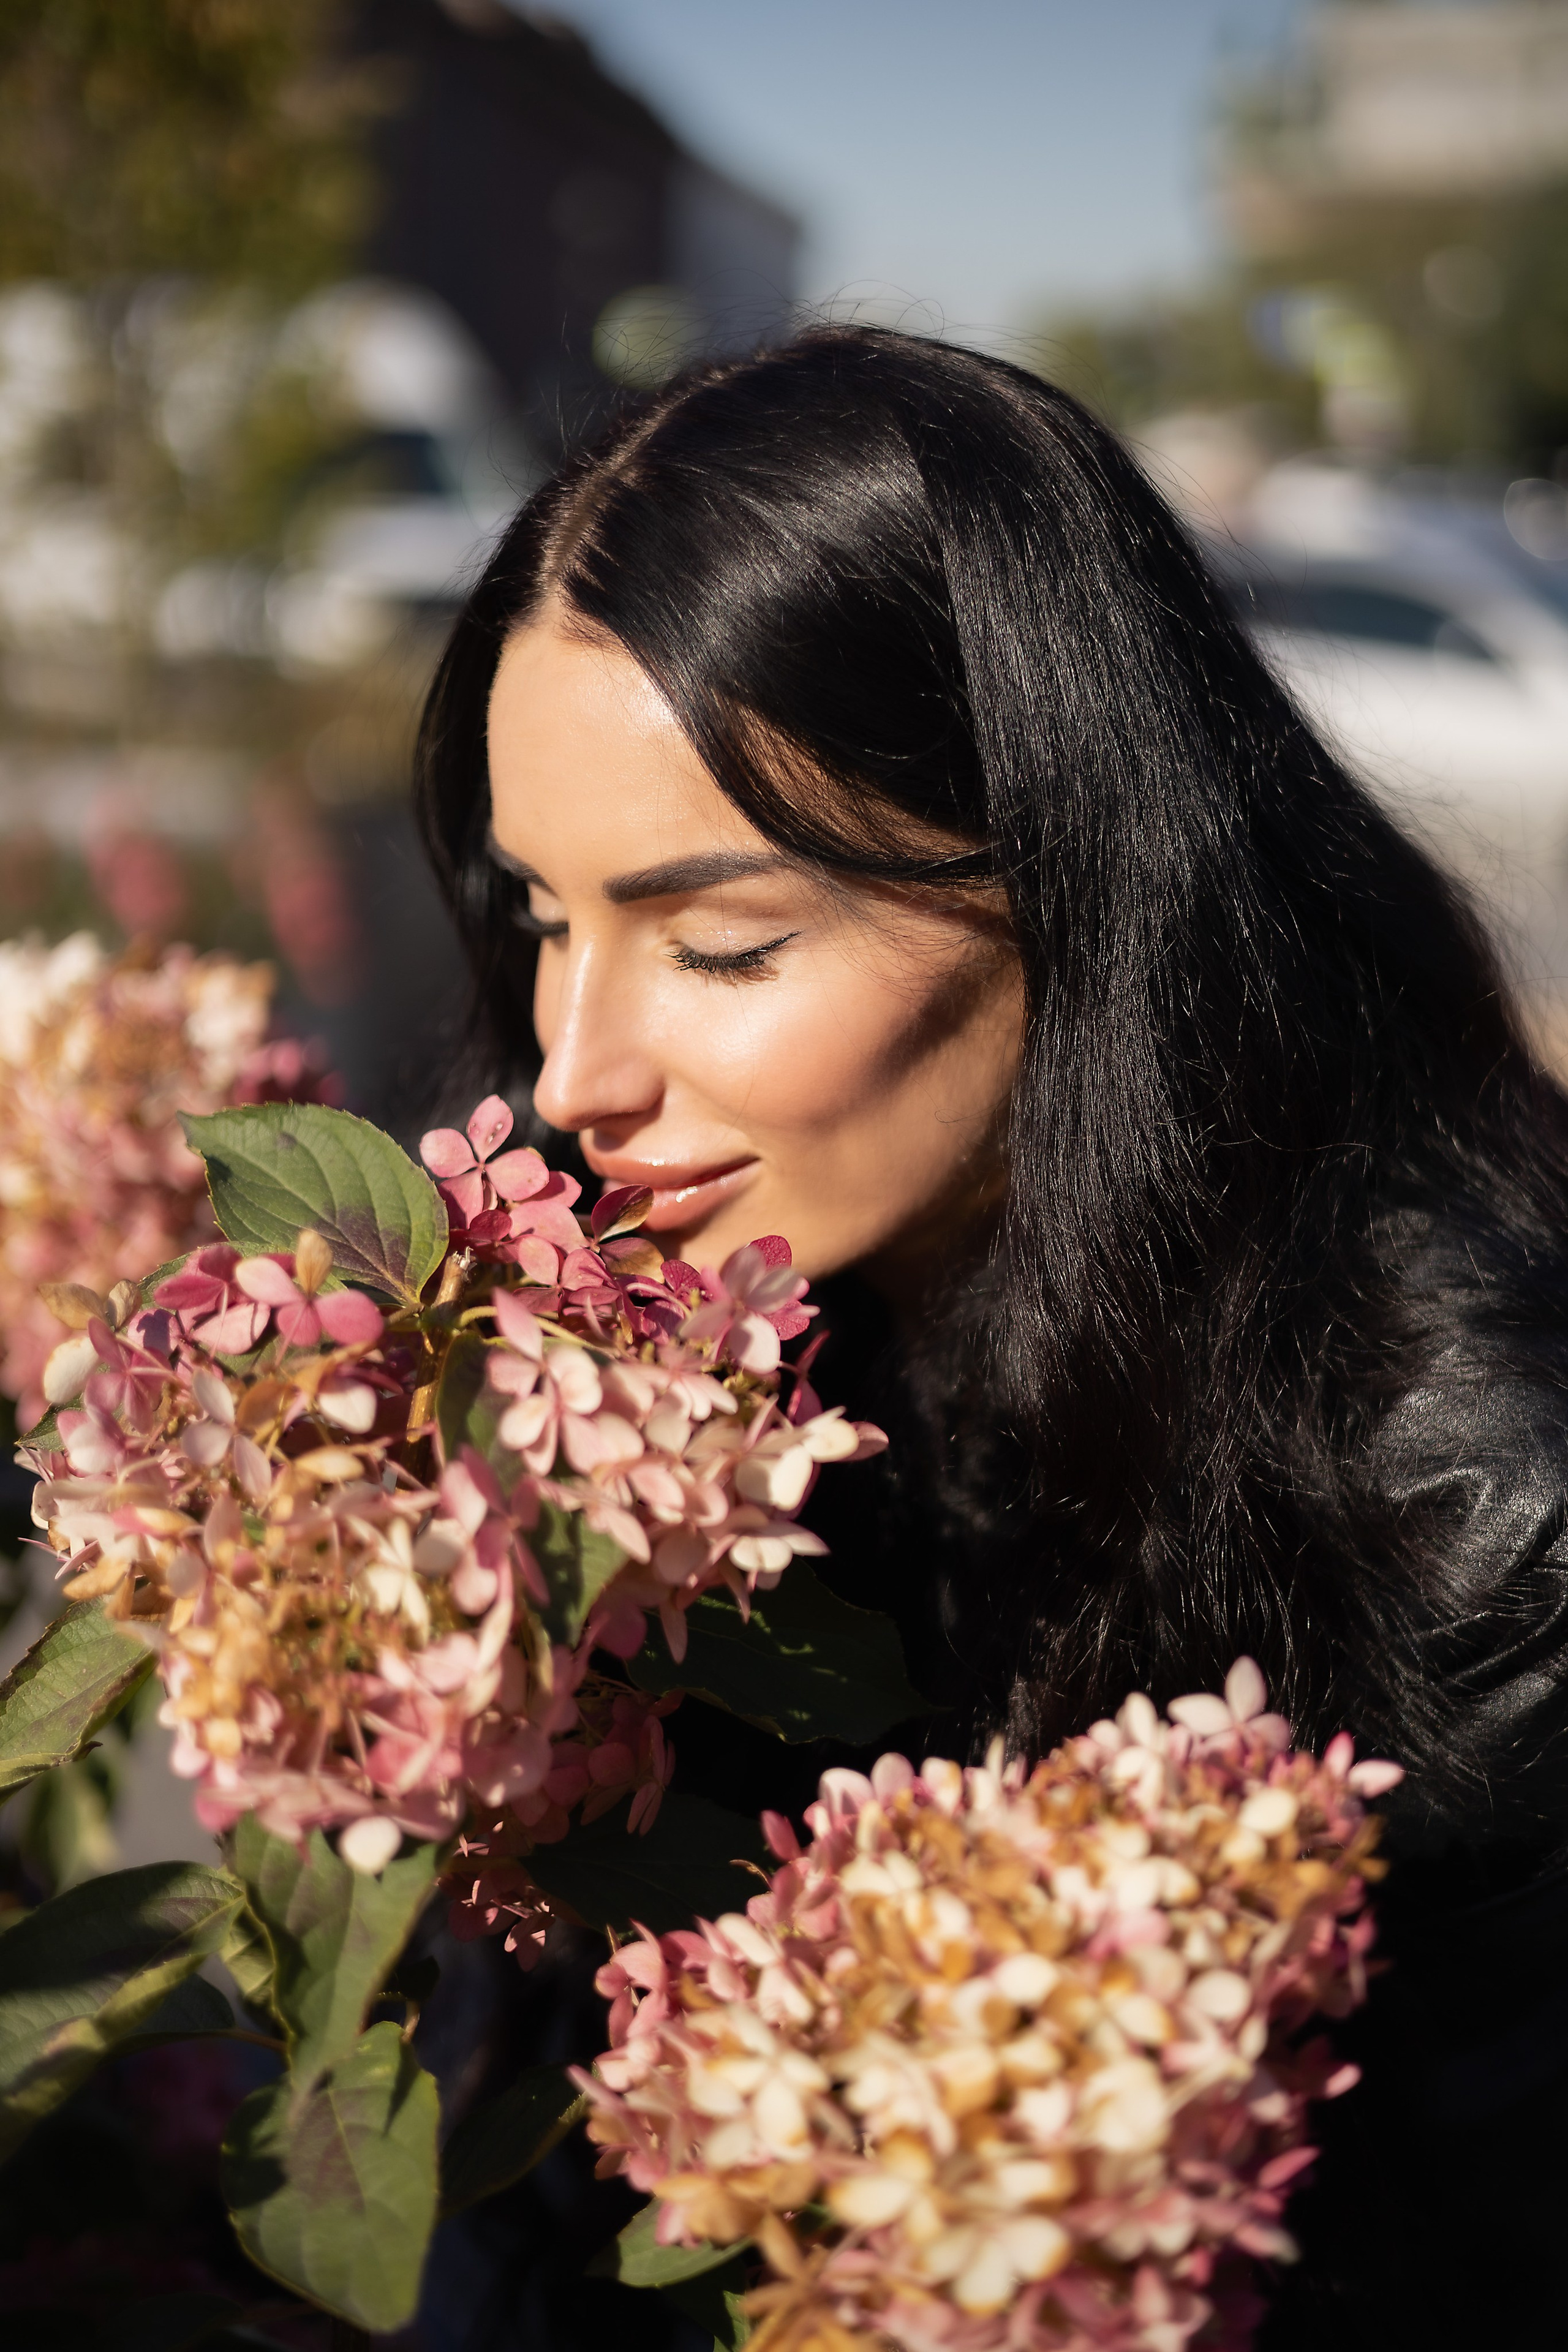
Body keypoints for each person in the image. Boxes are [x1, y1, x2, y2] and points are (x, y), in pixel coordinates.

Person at [416, 326, 1568, 2347]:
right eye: (541, 919)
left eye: (723, 942)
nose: (569, 1067)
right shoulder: (643, 1321)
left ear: (1069, 876)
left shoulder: (1481, 1511)